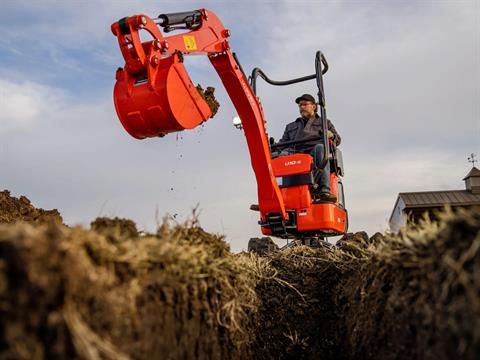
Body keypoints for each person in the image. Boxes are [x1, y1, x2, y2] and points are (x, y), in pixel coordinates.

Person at [278, 93, 341, 202]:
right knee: (280, 155)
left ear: (314, 106)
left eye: (304, 104)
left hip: (314, 152)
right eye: (300, 105)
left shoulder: (324, 123)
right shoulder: (291, 126)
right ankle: (275, 195)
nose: (302, 107)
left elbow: (338, 139)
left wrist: (331, 135)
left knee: (321, 148)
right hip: (295, 152)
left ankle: (324, 190)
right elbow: (282, 143)